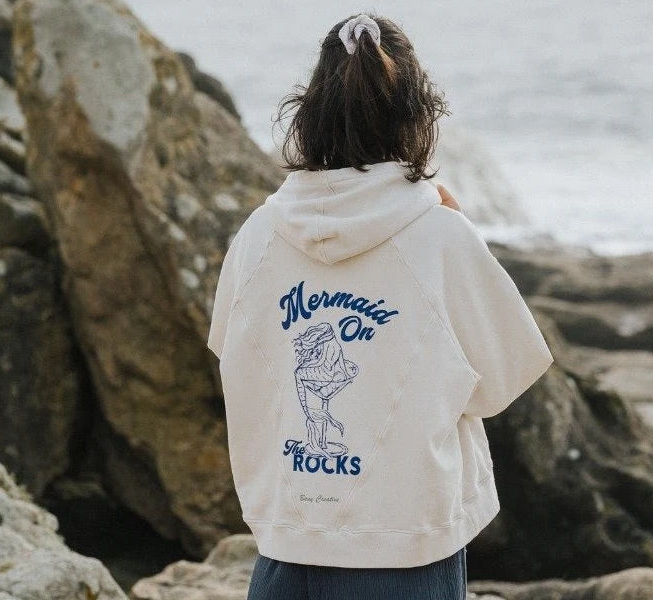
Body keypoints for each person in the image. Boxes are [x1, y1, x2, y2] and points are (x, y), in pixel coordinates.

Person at [206, 12, 554, 600]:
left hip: (290, 542)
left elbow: (230, 356)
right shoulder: (441, 238)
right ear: (415, 117)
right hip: (407, 549)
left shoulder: (258, 237)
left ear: (310, 112)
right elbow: (502, 380)